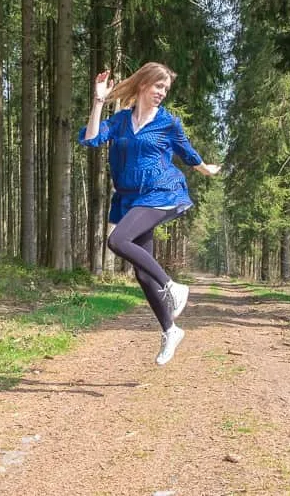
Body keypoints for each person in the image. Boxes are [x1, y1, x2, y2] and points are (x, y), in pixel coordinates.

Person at [78, 62, 221, 366]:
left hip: (162, 191)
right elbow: (91, 139)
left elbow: (187, 152)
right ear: (143, 84)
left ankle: (172, 286)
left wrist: (205, 168)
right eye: (158, 86)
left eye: (166, 89)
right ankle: (171, 329)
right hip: (131, 198)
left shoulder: (168, 123)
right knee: (143, 272)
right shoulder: (119, 122)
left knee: (117, 241)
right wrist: (99, 100)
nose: (162, 93)